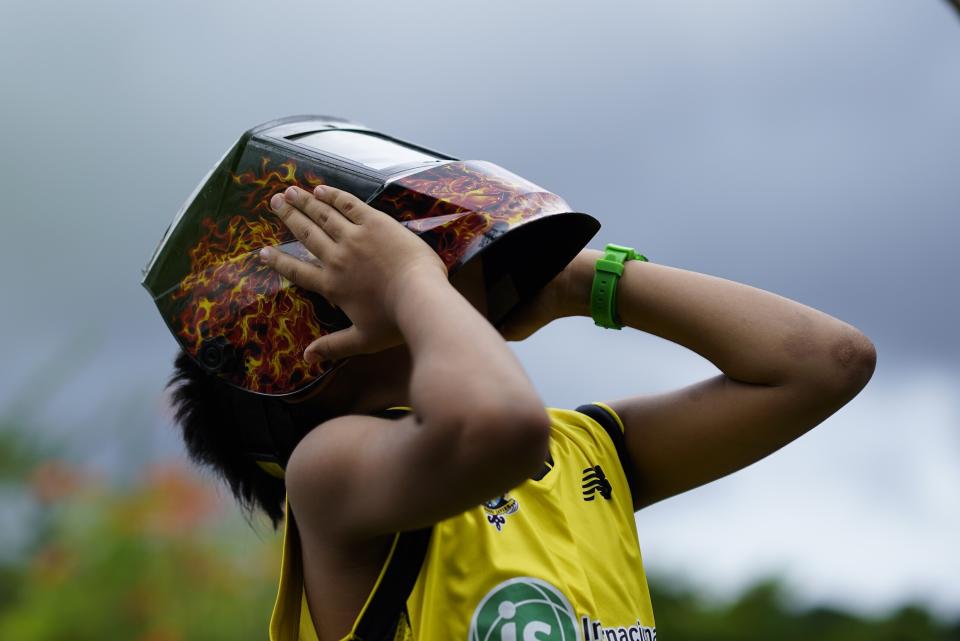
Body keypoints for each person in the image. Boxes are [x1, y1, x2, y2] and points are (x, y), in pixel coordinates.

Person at [169, 183, 876, 640]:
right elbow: (499, 428)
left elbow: (824, 362)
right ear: (310, 353)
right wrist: (414, 286)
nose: (435, 262)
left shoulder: (583, 452)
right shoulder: (328, 472)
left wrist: (575, 281)